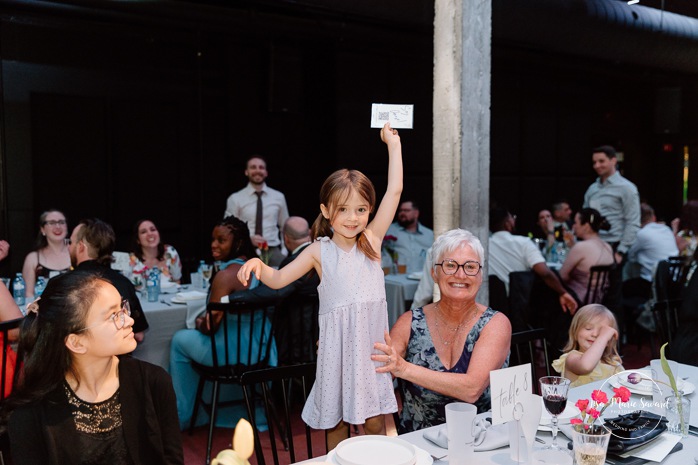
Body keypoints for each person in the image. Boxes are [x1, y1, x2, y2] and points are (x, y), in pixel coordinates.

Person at [237, 122, 402, 450]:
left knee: (373, 421)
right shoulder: (318, 251)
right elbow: (280, 279)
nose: (352, 217)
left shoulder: (372, 240)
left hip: (371, 351)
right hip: (335, 351)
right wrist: (259, 265)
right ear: (326, 211)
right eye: (343, 209)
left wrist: (393, 145)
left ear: (370, 210)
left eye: (361, 209)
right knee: (336, 421)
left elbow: (394, 191)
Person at [1, 271, 183, 464]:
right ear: (76, 343)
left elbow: (172, 459)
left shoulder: (153, 382)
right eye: (114, 315)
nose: (129, 320)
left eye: (123, 308)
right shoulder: (30, 415)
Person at [372, 229, 511, 433]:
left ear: (480, 275)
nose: (460, 275)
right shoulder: (409, 323)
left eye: (470, 267)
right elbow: (375, 379)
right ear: (434, 273)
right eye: (450, 265)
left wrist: (404, 369)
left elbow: (471, 389)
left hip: (479, 442)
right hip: (417, 444)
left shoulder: (495, 324)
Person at [169, 215, 276, 430]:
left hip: (233, 352)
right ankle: (239, 411)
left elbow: (210, 327)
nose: (214, 245)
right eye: (213, 239)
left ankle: (188, 414)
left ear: (237, 243)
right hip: (260, 349)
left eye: (221, 240)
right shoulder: (260, 267)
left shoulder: (226, 275)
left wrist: (199, 322)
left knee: (178, 340)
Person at [226, 216, 320, 364]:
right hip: (318, 335)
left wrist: (228, 299)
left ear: (286, 238)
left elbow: (275, 291)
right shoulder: (322, 255)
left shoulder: (298, 260)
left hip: (295, 340)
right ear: (309, 232)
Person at [69, 219, 149, 343]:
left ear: (80, 247)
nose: (68, 247)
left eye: (70, 242)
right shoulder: (124, 283)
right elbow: (138, 335)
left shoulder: (61, 285)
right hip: (118, 359)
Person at [488, 206, 577, 313]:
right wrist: (563, 292)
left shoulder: (483, 245)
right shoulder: (523, 242)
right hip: (522, 306)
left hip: (491, 305)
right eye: (512, 218)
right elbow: (545, 273)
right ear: (507, 223)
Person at [224, 156, 290, 267]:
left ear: (266, 172)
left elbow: (285, 226)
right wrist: (248, 239)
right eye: (253, 167)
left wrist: (284, 250)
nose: (257, 170)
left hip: (272, 250)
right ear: (246, 172)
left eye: (261, 167)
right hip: (245, 250)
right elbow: (228, 229)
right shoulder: (235, 198)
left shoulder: (278, 197)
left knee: (284, 278)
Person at [583, 145, 641, 263]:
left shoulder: (627, 188)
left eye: (601, 161)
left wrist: (621, 251)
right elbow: (585, 216)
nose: (597, 166)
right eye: (594, 162)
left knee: (613, 281)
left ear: (613, 161)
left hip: (615, 245)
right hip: (593, 244)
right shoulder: (592, 189)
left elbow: (633, 222)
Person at [551, 304, 623, 388]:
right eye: (588, 328)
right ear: (575, 332)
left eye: (602, 331)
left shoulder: (613, 365)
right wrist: (603, 337)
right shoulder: (572, 358)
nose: (595, 334)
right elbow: (586, 366)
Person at [559, 208, 615, 305]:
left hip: (578, 301)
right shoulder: (608, 247)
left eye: (576, 223)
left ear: (586, 226)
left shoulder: (581, 247)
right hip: (599, 300)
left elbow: (562, 276)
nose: (573, 226)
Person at [625, 203, 679, 298]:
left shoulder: (642, 234)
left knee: (624, 283)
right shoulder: (666, 229)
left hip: (653, 283)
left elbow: (630, 256)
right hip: (673, 280)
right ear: (653, 217)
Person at [21, 209, 71, 298]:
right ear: (43, 229)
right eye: (52, 223)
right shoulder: (33, 258)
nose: (58, 226)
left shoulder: (77, 254)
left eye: (62, 222)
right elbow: (29, 295)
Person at [386, 200, 434, 273]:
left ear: (416, 213)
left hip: (421, 278)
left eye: (406, 210)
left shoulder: (429, 234)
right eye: (400, 211)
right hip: (396, 279)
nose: (402, 213)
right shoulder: (388, 230)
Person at [129, 219, 182, 283]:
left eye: (153, 230)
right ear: (138, 240)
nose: (150, 233)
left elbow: (177, 281)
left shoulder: (170, 252)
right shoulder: (129, 260)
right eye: (143, 232)